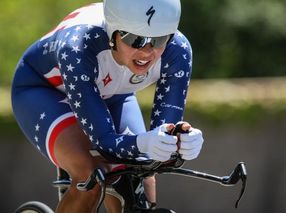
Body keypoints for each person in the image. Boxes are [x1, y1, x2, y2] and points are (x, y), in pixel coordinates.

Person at [11, 0, 204, 212]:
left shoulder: (178, 48)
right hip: (44, 90)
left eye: (159, 40)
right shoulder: (78, 46)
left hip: (109, 93)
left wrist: (181, 141)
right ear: (113, 33)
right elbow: (105, 142)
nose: (147, 52)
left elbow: (164, 134)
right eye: (136, 39)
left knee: (142, 175)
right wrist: (144, 143)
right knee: (90, 175)